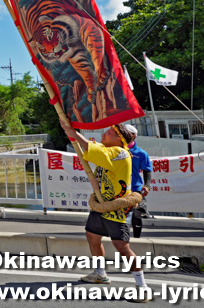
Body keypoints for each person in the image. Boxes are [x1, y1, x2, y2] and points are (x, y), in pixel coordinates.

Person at [60, 121, 149, 300]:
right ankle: (100, 273)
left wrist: (73, 132)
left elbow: (91, 147)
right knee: (92, 236)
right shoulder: (109, 149)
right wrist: (71, 133)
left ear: (119, 138)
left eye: (109, 132)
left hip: (116, 208)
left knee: (122, 247)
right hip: (101, 203)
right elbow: (90, 147)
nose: (104, 134)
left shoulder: (120, 153)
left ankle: (142, 286)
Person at [125, 124, 153, 238]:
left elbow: (147, 170)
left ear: (133, 136)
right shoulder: (115, 150)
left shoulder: (141, 153)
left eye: (126, 133)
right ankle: (122, 240)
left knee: (137, 215)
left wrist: (146, 185)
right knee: (121, 215)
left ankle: (137, 239)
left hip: (135, 188)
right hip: (119, 188)